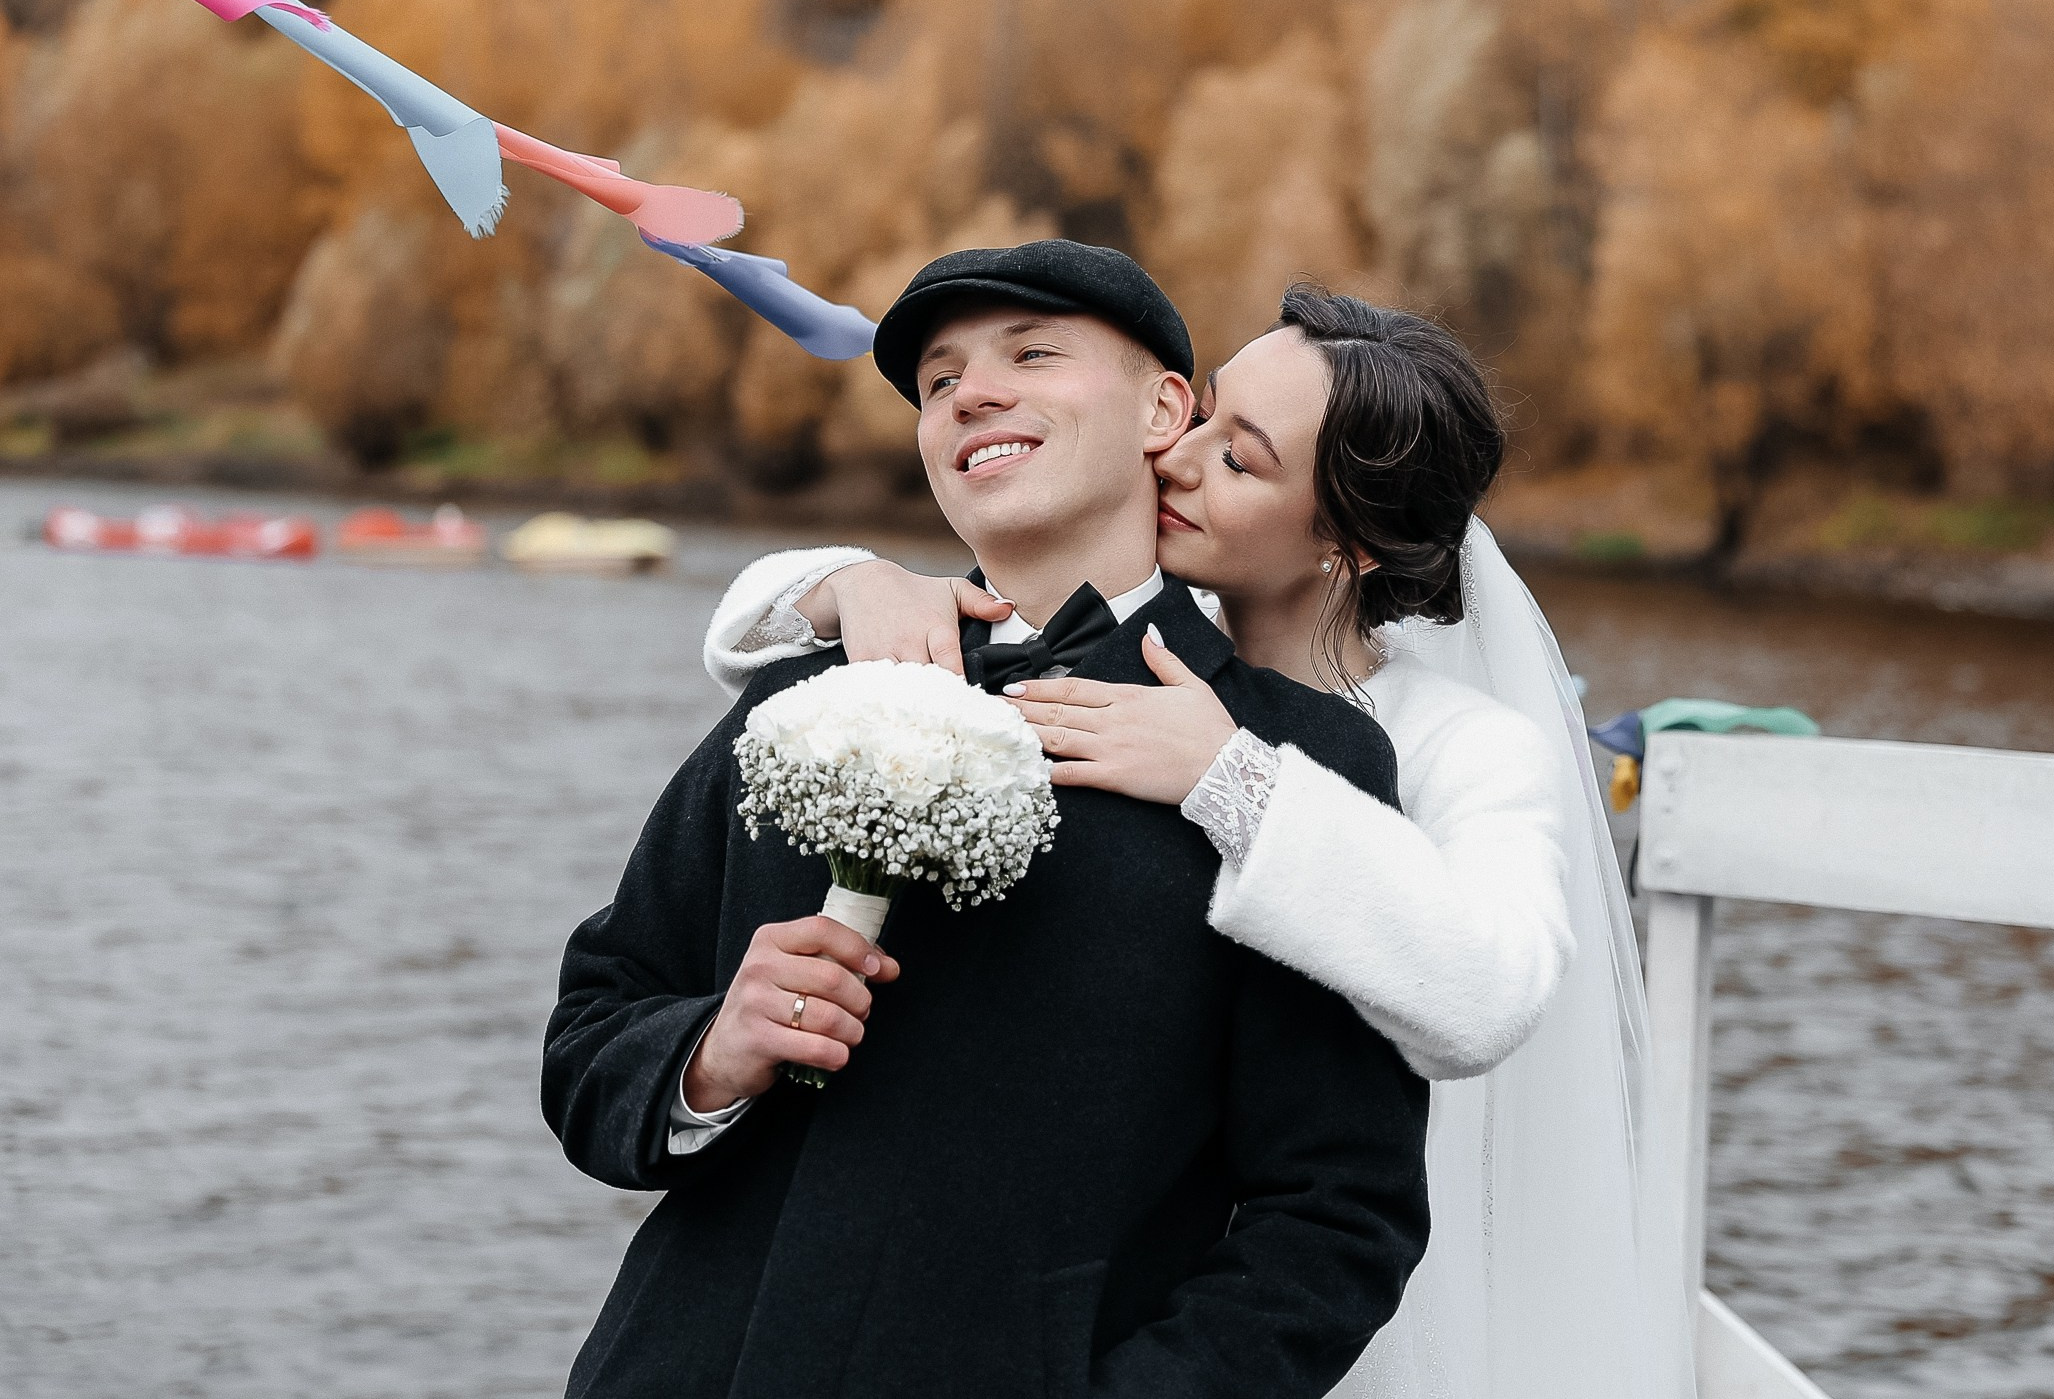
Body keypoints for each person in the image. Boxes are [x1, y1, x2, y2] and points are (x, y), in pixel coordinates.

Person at [702, 286, 1697, 1397]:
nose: (1179, 460)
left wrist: (1231, 782)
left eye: (1241, 459)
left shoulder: (1461, 743)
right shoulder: (1145, 635)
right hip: (1121, 1267)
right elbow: (755, 622)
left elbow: (1488, 994)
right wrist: (852, 581)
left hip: (1320, 1297)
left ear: (1348, 542)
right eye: (1207, 414)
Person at [543, 242, 1433, 1399]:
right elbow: (591, 1030)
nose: (973, 391)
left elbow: (1336, 1218)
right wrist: (713, 1053)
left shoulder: (1291, 761)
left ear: (1168, 407)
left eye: (1033, 353)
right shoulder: (800, 693)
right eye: (940, 379)